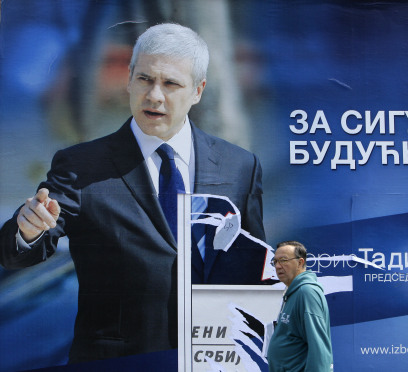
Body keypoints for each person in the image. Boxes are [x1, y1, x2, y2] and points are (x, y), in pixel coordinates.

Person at [0, 23, 266, 363]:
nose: (154, 95)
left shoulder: (239, 166)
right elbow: (15, 253)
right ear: (129, 79)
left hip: (211, 360)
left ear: (198, 90)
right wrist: (28, 230)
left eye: (170, 83)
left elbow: (255, 264)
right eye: (144, 79)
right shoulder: (81, 165)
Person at [267, 241, 333, 372]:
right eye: (275, 262)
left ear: (300, 262)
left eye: (283, 260)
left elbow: (319, 347)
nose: (278, 266)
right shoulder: (293, 292)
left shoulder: (306, 293)